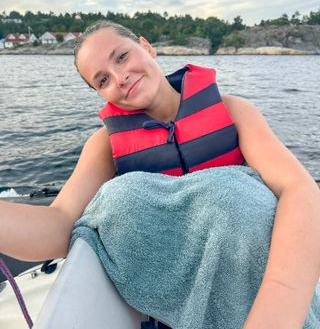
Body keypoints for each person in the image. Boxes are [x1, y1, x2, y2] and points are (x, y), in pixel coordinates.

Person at [0, 20, 319, 329]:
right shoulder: (104, 146)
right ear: (101, 93)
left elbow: (299, 190)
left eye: (122, 57)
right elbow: (59, 225)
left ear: (146, 47)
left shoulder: (233, 112)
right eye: (102, 80)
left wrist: (278, 312)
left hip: (259, 283)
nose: (120, 77)